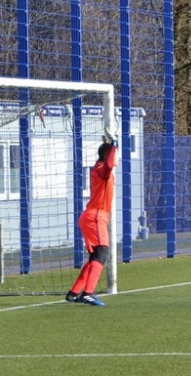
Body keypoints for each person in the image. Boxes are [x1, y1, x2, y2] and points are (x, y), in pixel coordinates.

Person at [66, 130, 119, 306]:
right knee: (102, 253)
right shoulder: (103, 170)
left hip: (93, 216)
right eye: (115, 154)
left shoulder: (99, 167)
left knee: (95, 257)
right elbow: (109, 165)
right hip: (95, 216)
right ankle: (88, 293)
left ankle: (74, 292)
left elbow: (108, 163)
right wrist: (114, 146)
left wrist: (110, 147)